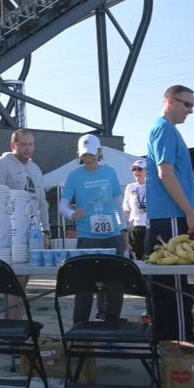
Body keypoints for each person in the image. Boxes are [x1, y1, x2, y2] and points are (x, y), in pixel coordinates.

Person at [145, 85, 194, 341]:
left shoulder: (168, 130)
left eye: (192, 106)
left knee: (173, 290)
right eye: (186, 104)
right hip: (171, 218)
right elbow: (165, 173)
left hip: (170, 217)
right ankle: (181, 347)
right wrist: (189, 212)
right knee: (176, 291)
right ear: (169, 101)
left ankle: (172, 347)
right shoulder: (164, 129)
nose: (190, 111)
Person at [59, 134, 126, 325]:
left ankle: (112, 321)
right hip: (88, 236)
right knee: (85, 284)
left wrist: (123, 229)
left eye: (91, 154)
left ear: (99, 153)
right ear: (79, 155)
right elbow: (63, 204)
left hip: (112, 235)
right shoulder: (74, 175)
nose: (88, 158)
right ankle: (80, 325)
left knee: (115, 282)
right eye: (85, 155)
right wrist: (72, 214)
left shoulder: (110, 172)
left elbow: (117, 203)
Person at [0, 128, 52, 319]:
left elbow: (41, 203)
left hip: (31, 233)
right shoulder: (1, 164)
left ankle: (17, 322)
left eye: (31, 144)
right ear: (13, 145)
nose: (27, 148)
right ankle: (9, 325)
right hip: (9, 234)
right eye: (23, 144)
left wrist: (46, 231)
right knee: (10, 281)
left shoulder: (36, 169)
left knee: (23, 281)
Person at [122, 159, 148, 260]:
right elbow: (126, 208)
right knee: (137, 255)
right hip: (136, 227)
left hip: (149, 226)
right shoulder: (130, 187)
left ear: (146, 171)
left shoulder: (152, 186)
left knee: (150, 253)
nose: (136, 172)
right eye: (134, 170)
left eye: (139, 169)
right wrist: (130, 223)